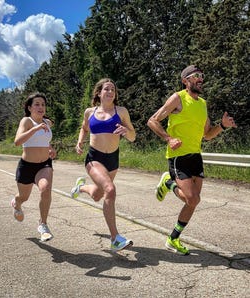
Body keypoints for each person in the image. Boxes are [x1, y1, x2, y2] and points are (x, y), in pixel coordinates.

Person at [147, 65, 237, 255]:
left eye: (201, 76)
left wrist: (222, 125)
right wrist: (168, 138)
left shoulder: (202, 104)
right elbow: (153, 120)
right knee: (192, 198)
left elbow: (207, 135)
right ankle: (169, 183)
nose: (200, 79)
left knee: (193, 202)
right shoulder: (178, 98)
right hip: (178, 157)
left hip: (196, 157)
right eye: (195, 76)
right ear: (185, 80)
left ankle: (173, 239)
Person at [71, 78, 136, 252]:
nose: (110, 92)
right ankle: (115, 238)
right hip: (94, 158)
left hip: (113, 160)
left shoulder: (121, 112)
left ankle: (81, 187)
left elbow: (133, 136)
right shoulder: (89, 112)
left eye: (113, 90)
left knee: (98, 195)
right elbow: (84, 128)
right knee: (110, 189)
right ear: (99, 93)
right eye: (106, 89)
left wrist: (126, 131)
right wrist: (79, 142)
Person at [11, 92, 57, 242]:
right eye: (37, 104)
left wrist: (50, 148)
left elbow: (43, 140)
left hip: (44, 164)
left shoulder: (47, 123)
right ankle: (16, 204)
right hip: (27, 166)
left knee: (46, 188)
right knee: (23, 197)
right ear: (30, 107)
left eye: (43, 104)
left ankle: (43, 225)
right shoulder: (27, 121)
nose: (41, 107)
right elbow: (17, 141)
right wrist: (34, 129)